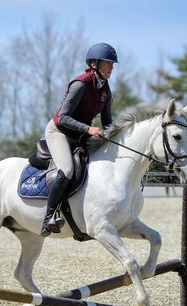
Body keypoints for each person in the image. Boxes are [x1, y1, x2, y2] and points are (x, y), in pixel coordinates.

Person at [41, 42, 118, 237]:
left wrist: (117, 138)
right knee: (67, 170)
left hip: (80, 134)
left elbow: (108, 122)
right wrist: (89, 128)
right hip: (59, 132)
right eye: (107, 63)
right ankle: (48, 217)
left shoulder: (106, 91)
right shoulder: (80, 84)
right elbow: (63, 118)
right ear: (94, 64)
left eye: (112, 64)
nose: (111, 67)